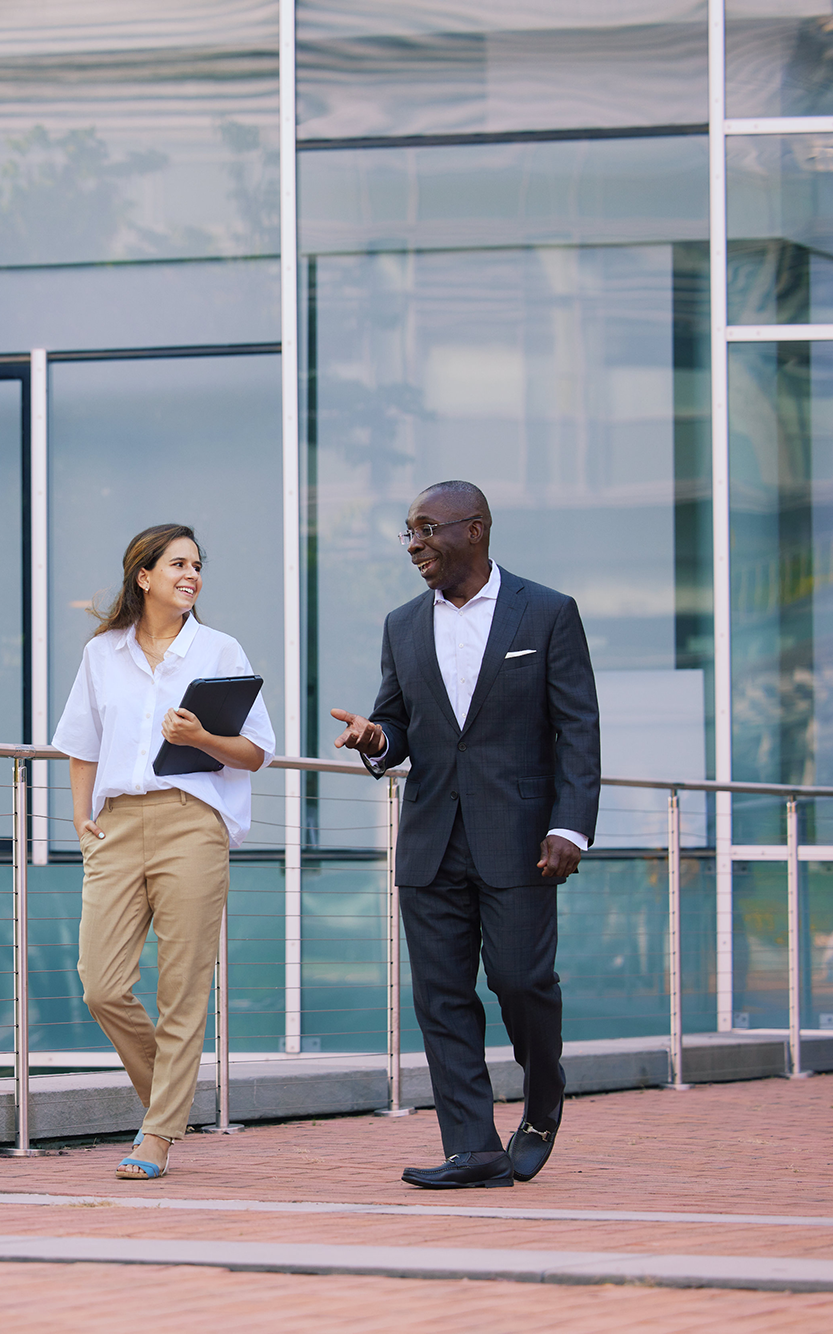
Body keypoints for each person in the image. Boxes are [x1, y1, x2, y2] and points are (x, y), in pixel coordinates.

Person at [330, 481, 599, 1189]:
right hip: (431, 839)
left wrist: (571, 825)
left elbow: (578, 728)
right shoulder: (402, 624)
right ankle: (474, 1148)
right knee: (442, 998)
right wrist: (375, 739)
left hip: (521, 839)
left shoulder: (547, 612)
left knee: (520, 981)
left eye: (427, 529)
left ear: (474, 529)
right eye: (408, 532)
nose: (414, 544)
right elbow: (398, 726)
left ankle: (542, 1100)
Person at [53, 522, 274, 1181]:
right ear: (143, 576)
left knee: (183, 987)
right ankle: (169, 1101)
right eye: (178, 564)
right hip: (117, 826)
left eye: (197, 565)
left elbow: (255, 753)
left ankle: (157, 1135)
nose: (191, 575)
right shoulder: (103, 653)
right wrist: (81, 819)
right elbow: (82, 744)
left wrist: (202, 737)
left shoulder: (220, 650)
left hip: (192, 824)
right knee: (100, 984)